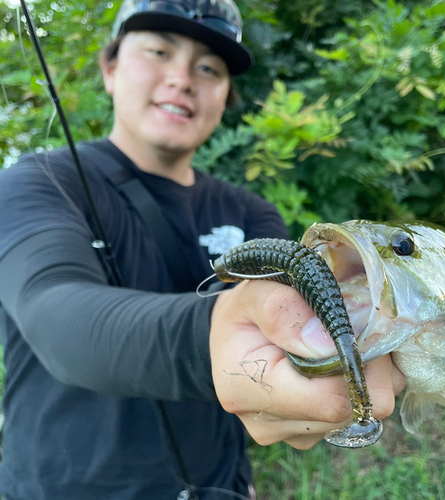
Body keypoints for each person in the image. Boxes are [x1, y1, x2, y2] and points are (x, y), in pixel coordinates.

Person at [0, 1, 405, 499]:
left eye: (208, 67)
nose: (182, 78)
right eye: (158, 50)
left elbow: (284, 331)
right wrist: (211, 332)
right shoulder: (36, 183)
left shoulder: (251, 212)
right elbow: (50, 308)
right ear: (110, 68)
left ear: (226, 95)